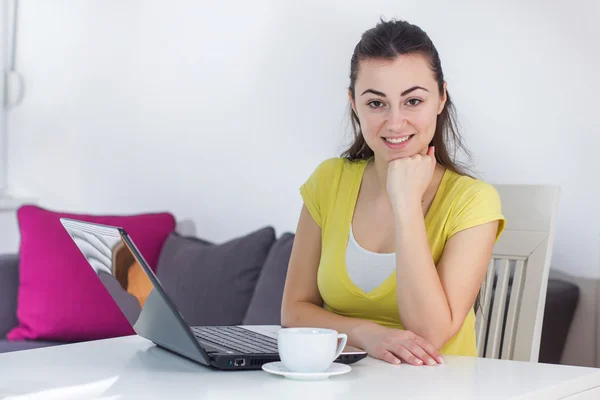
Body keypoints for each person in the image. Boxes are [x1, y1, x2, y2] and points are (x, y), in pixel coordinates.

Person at [280, 18, 506, 367]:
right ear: (353, 103)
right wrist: (367, 334)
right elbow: (293, 313)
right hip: (345, 385)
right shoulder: (329, 180)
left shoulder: (473, 201)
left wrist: (405, 204)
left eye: (413, 101)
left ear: (441, 97)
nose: (395, 122)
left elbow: (431, 334)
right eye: (376, 103)